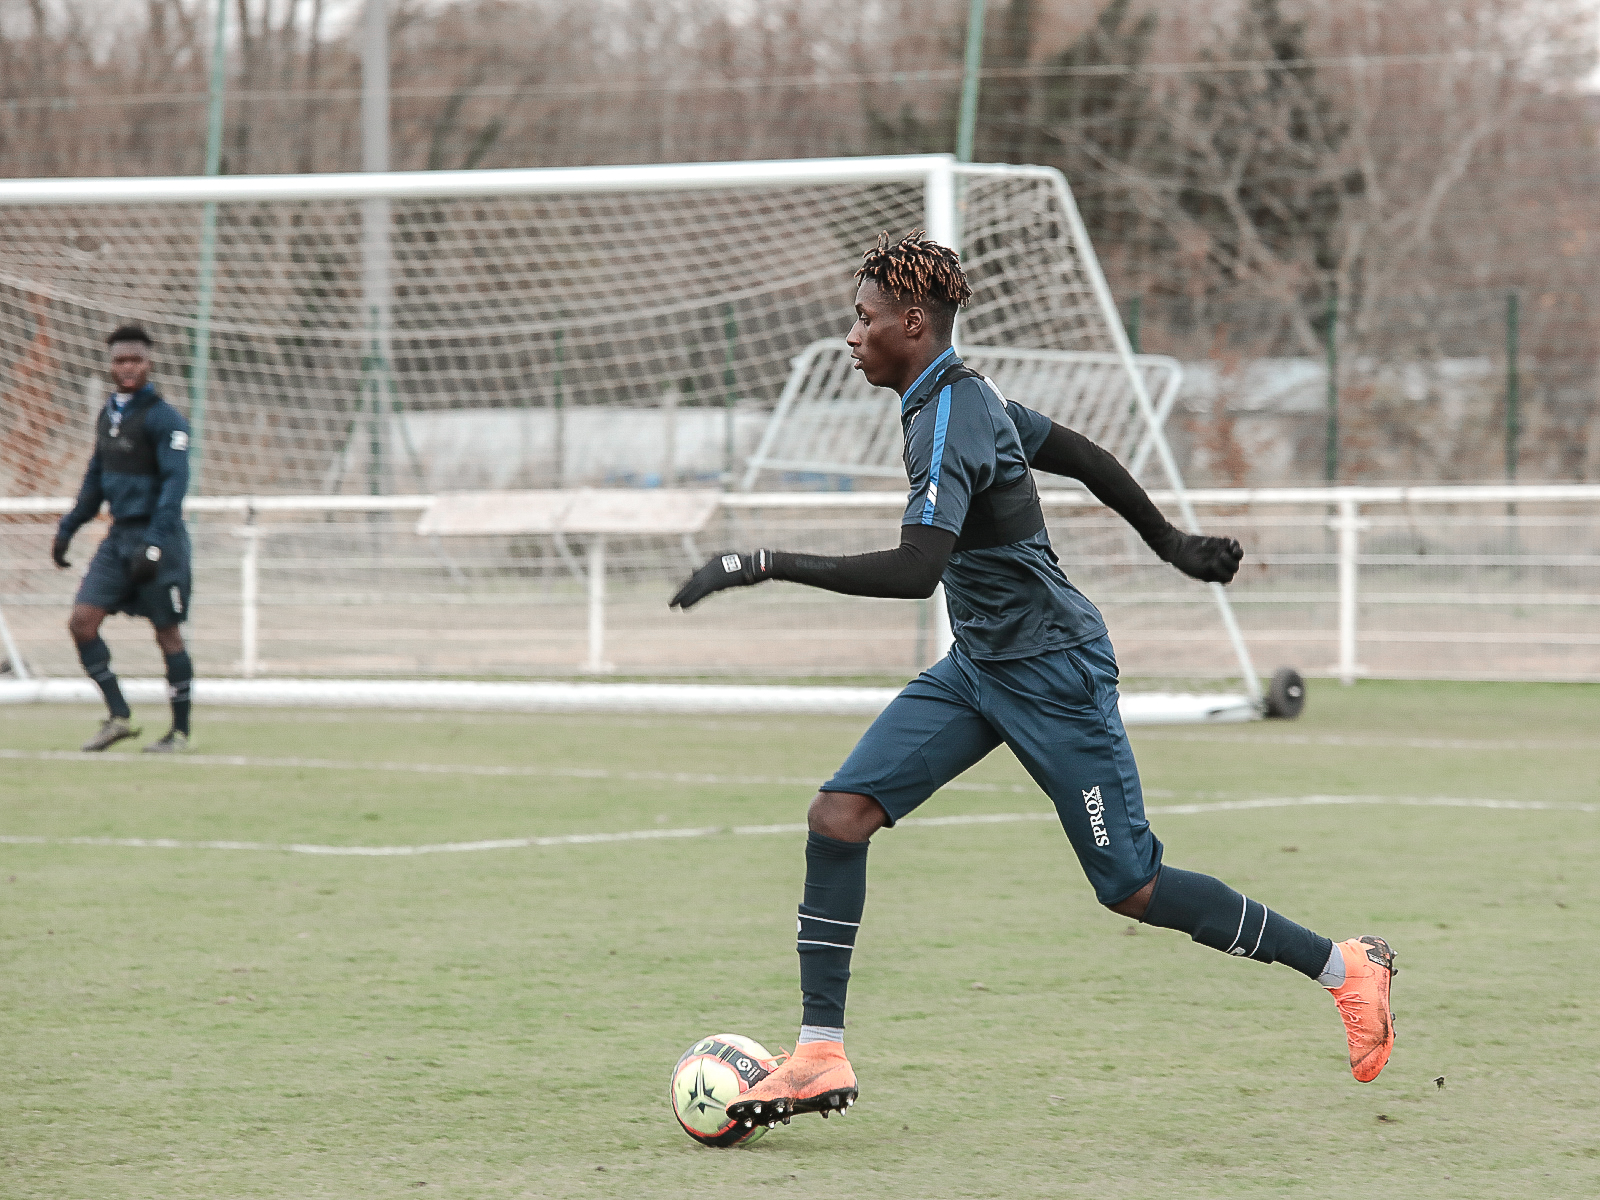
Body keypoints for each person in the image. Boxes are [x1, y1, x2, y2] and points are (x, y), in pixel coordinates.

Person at [670, 231, 1395, 1130]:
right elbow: (1081, 454)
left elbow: (913, 570)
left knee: (1130, 883)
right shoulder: (957, 397)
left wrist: (763, 562)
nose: (849, 337)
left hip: (1054, 674)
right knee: (839, 817)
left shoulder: (949, 416)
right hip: (980, 667)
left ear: (910, 323)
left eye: (861, 320)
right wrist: (1170, 543)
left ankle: (1344, 967)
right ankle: (819, 1052)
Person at [53, 325, 195, 753]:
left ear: (149, 363)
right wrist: (69, 526)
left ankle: (179, 732)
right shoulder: (108, 415)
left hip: (159, 538)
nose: (127, 367)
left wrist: (154, 543)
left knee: (167, 634)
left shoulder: (165, 419)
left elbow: (175, 485)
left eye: (135, 359)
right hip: (117, 539)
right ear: (110, 364)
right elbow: (95, 478)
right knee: (82, 622)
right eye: (120, 360)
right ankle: (119, 716)